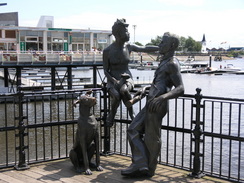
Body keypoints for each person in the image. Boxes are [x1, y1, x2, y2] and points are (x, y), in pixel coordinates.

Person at [121, 32, 184, 177]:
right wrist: (146, 88)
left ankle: (149, 168)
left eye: (163, 43)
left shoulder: (172, 63)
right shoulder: (164, 61)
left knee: (152, 137)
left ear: (172, 46)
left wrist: (162, 98)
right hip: (151, 102)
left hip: (157, 105)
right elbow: (161, 83)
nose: (160, 45)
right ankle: (140, 163)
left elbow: (180, 88)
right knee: (133, 129)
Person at [103, 18, 158, 127]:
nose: (128, 34)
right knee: (116, 96)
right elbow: (105, 70)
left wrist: (160, 48)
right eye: (126, 31)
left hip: (127, 78)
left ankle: (131, 112)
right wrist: (113, 80)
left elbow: (144, 48)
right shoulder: (107, 51)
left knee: (123, 90)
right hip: (112, 79)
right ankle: (112, 114)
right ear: (118, 33)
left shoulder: (128, 47)